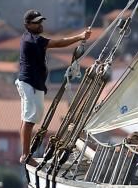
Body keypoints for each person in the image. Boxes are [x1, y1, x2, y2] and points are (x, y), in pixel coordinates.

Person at [16, 9, 92, 163]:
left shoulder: (34, 38)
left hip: (35, 83)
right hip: (28, 82)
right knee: (29, 117)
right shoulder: (32, 40)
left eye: (41, 21)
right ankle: (25, 155)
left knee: (33, 116)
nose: (40, 24)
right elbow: (57, 43)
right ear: (28, 25)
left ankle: (26, 153)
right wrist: (80, 37)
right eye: (36, 23)